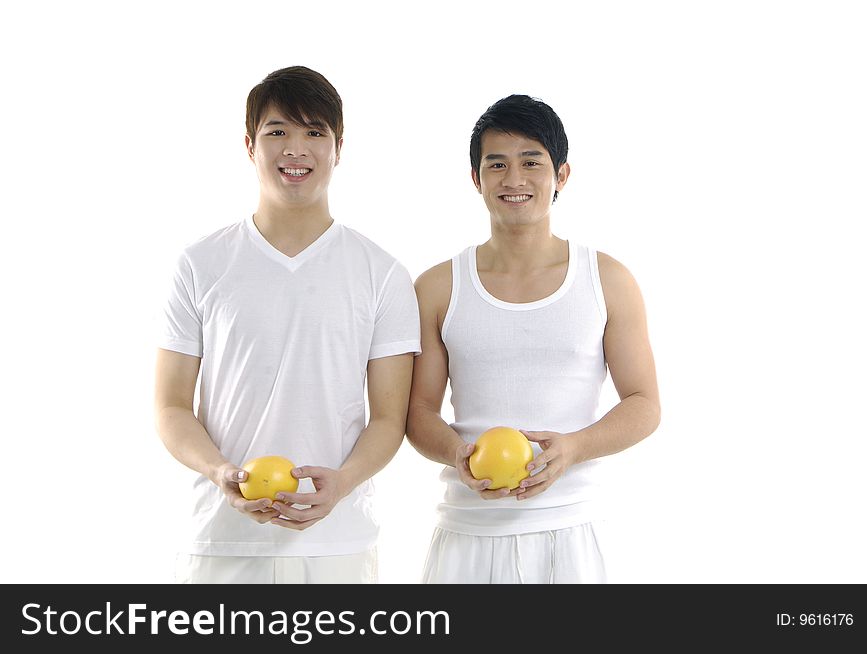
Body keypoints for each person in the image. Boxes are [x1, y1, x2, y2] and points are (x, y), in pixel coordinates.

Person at [154, 66, 420, 584]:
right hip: (221, 542)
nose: (295, 150)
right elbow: (169, 406)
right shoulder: (200, 264)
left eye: (314, 133)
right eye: (278, 132)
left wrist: (340, 484)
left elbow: (389, 419)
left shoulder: (381, 272)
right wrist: (218, 472)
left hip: (337, 545)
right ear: (250, 144)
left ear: (338, 147)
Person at [406, 94, 660, 583]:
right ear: (476, 179)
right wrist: (457, 454)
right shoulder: (438, 286)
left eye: (531, 162)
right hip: (468, 534)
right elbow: (417, 412)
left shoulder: (607, 279)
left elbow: (645, 402)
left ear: (561, 175)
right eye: (496, 164)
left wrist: (574, 448)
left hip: (571, 531)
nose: (514, 179)